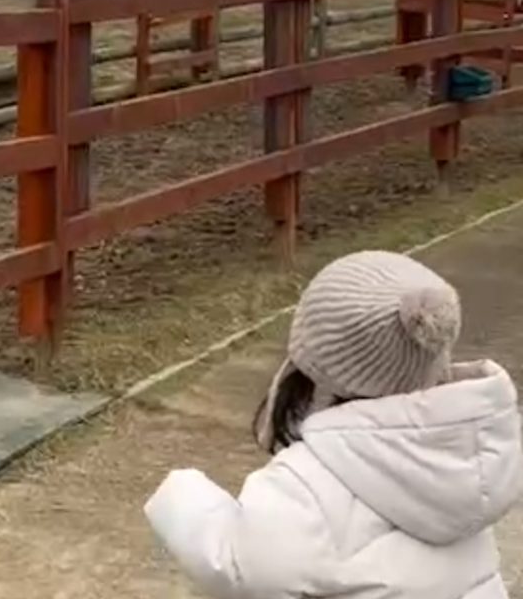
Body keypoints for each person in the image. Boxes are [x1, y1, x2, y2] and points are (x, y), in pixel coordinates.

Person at [144, 249, 523, 599]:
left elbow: (244, 571)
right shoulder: (460, 453)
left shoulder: (309, 482)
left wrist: (182, 495)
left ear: (317, 367)